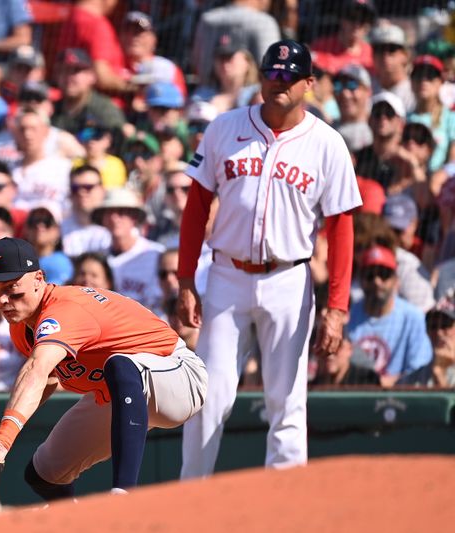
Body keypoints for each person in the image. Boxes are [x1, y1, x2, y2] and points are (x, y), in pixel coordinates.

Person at [177, 40, 362, 479]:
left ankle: (286, 508)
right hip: (226, 276)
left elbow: (342, 231)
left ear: (309, 84)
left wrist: (336, 307)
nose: (279, 81)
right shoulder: (224, 127)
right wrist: (186, 279)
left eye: (289, 75)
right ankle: (190, 497)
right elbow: (196, 207)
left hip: (288, 279)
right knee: (208, 396)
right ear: (260, 77)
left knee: (287, 400)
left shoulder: (327, 144)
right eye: (272, 73)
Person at [0, 237, 207, 497]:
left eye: (12, 288)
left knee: (121, 365)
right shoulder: (22, 325)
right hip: (120, 392)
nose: (3, 300)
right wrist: (6, 428)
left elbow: (36, 369)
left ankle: (123, 495)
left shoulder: (64, 309)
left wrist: (4, 440)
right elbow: (49, 378)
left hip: (177, 374)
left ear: (39, 279)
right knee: (45, 474)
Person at [346, 245, 433, 387]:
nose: (377, 281)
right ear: (361, 279)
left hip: (401, 396)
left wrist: (389, 382)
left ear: (395, 280)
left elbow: (420, 369)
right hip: (355, 394)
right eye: (370, 275)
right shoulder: (348, 315)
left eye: (384, 274)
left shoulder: (412, 317)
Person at [310, 334, 380, 387]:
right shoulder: (312, 387)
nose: (330, 354)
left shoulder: (367, 380)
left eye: (337, 346)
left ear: (350, 349)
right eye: (324, 346)